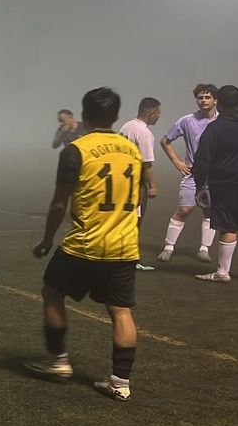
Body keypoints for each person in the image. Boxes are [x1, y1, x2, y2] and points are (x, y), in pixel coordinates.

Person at [27, 87, 142, 402]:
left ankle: (58, 361)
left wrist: (47, 240)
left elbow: (59, 204)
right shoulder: (131, 149)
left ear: (84, 115)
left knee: (52, 292)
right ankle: (120, 382)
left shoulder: (76, 150)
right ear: (116, 115)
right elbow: (139, 195)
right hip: (124, 245)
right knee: (121, 311)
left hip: (86, 243)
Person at [191, 85, 238, 283]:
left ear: (218, 101)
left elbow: (202, 161)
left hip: (225, 186)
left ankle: (222, 272)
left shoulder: (215, 128)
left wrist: (200, 186)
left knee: (228, 227)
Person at [156, 84, 219, 263]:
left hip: (215, 176)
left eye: (207, 97)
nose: (203, 100)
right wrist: (177, 162)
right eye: (200, 97)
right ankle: (169, 247)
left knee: (209, 211)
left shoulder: (222, 121)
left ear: (215, 100)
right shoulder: (187, 121)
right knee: (184, 209)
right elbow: (165, 141)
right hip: (193, 174)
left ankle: (204, 249)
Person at [119, 97, 162, 270]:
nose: (158, 116)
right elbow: (147, 164)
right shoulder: (144, 133)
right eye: (158, 113)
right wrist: (152, 186)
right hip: (135, 183)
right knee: (135, 222)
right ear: (150, 112)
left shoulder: (126, 126)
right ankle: (130, 260)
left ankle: (121, 256)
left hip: (121, 178)